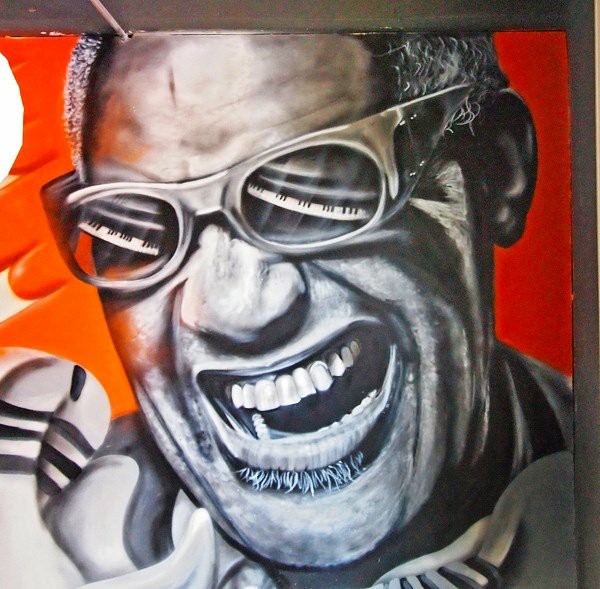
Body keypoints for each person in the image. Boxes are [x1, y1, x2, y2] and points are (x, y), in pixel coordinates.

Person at [0, 32, 574, 588]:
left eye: (311, 190)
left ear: (497, 170)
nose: (230, 309)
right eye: (135, 232)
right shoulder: (68, 538)